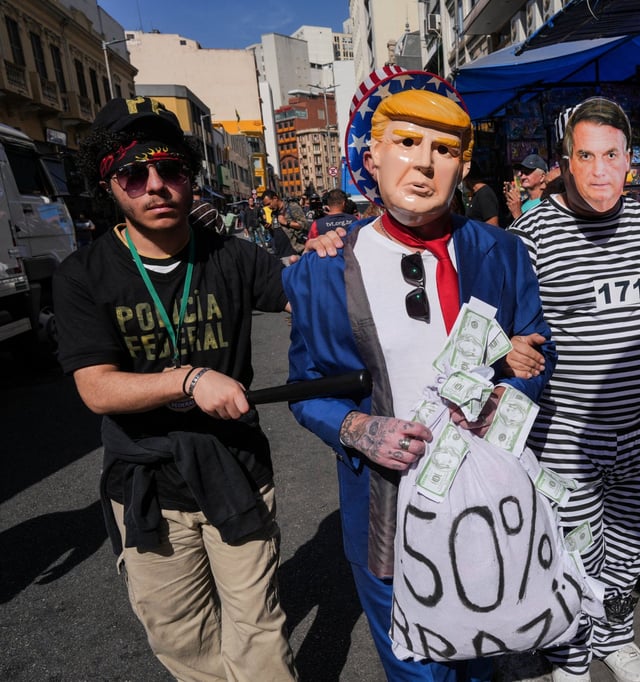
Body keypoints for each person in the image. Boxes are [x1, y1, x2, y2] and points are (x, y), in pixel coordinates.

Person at [284, 68, 556, 681]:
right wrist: (358, 429)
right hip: (390, 510)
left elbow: (541, 350)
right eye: (407, 143)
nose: (425, 164)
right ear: (373, 154)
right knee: (417, 670)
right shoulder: (328, 269)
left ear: (462, 166)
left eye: (445, 150)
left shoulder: (503, 252)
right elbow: (307, 392)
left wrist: (505, 395)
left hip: (487, 502)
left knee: (486, 660)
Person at [51, 96, 297, 680]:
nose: (156, 185)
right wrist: (187, 378)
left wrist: (327, 260)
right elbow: (97, 389)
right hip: (148, 484)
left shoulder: (235, 257)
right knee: (182, 638)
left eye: (172, 170)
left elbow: (310, 296)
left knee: (258, 630)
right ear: (109, 184)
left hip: (236, 469)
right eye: (134, 174)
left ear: (190, 178)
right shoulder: (82, 276)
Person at [506, 96, 640, 682]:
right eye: (585, 155)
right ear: (565, 161)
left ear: (631, 160)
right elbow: (501, 318)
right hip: (567, 438)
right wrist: (509, 344)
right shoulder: (531, 231)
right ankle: (571, 651)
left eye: (612, 155)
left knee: (629, 548)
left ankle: (617, 635)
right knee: (575, 554)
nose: (599, 170)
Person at [261, 189, 308, 255]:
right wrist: (269, 228)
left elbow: (305, 225)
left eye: (269, 203)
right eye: (266, 205)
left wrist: (287, 223)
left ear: (275, 198)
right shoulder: (274, 213)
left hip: (295, 251)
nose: (268, 207)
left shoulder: (292, 207)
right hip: (281, 254)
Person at [503, 152, 547, 220]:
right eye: (521, 173)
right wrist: (511, 201)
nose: (522, 177)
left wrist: (517, 214)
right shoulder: (523, 202)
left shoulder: (547, 203)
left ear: (542, 177)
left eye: (527, 172)